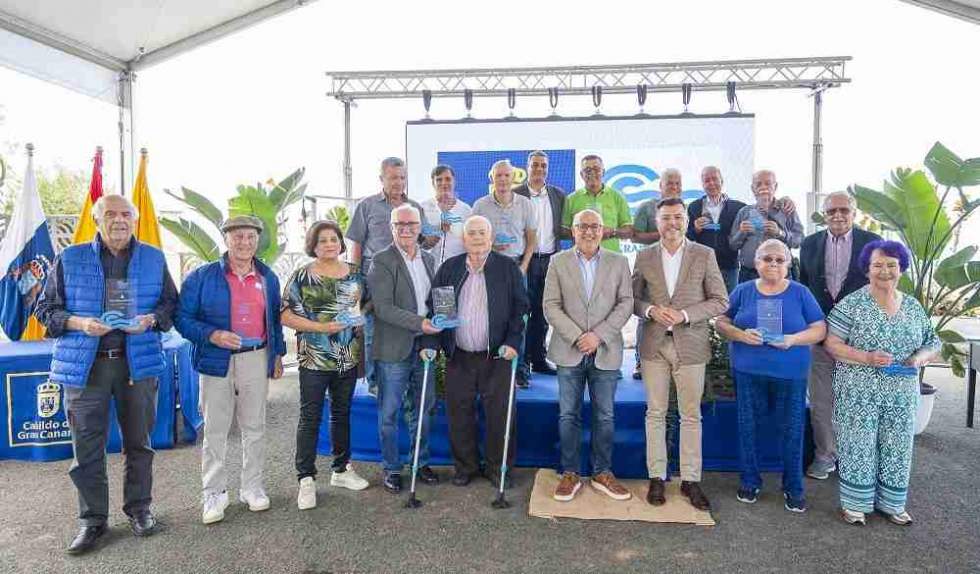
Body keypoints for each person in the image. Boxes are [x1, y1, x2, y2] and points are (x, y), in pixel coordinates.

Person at [35, 194, 177, 554]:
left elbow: (170, 305)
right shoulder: (70, 258)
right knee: (87, 449)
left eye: (125, 214)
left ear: (135, 219)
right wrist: (79, 323)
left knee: (139, 445)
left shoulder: (154, 258)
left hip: (138, 364)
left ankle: (140, 509)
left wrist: (149, 321)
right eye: (110, 214)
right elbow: (44, 310)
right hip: (86, 368)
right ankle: (92, 521)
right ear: (97, 220)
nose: (118, 220)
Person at [175, 215, 286, 525]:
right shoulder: (202, 277)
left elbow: (274, 321)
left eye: (250, 236)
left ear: (257, 240)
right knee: (215, 429)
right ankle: (214, 492)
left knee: (255, 426)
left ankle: (252, 487)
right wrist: (212, 334)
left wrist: (277, 354)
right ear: (226, 240)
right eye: (237, 236)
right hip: (216, 358)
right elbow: (181, 318)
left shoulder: (268, 277)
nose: (244, 242)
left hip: (256, 356)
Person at [823, 240, 939, 526]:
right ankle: (855, 505)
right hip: (858, 388)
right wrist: (865, 356)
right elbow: (831, 343)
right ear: (867, 269)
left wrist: (920, 357)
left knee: (898, 445)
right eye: (878, 265)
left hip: (901, 391)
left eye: (891, 265)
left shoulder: (912, 306)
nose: (884, 271)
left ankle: (893, 504)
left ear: (901, 269)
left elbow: (932, 342)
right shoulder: (852, 303)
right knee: (857, 443)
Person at [715, 239, 826, 513]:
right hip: (748, 372)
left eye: (779, 259)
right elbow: (720, 321)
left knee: (792, 431)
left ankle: (793, 488)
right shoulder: (742, 291)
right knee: (748, 428)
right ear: (756, 262)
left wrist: (792, 339)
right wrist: (740, 335)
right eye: (767, 259)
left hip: (791, 375)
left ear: (788, 264)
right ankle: (750, 482)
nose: (773, 264)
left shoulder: (800, 293)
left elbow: (820, 329)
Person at [633, 198, 729, 511]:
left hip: (691, 344)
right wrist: (649, 310)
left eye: (677, 217)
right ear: (656, 222)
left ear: (686, 221)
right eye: (665, 218)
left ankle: (690, 480)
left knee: (690, 414)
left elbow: (719, 301)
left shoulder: (704, 254)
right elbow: (631, 300)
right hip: (654, 345)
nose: (672, 223)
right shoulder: (644, 256)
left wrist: (685, 315)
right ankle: (657, 477)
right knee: (655, 413)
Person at [421, 215, 528, 488]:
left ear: (491, 238)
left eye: (483, 232)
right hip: (460, 356)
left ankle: (497, 468)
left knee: (501, 414)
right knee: (459, 413)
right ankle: (465, 467)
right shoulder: (450, 268)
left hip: (499, 356)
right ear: (463, 238)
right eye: (472, 233)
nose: (478, 237)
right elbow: (438, 313)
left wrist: (514, 343)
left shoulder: (507, 269)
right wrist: (431, 345)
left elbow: (521, 310)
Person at [543, 209, 633, 502]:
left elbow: (625, 303)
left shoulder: (619, 262)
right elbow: (550, 305)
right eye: (583, 226)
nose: (589, 231)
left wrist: (598, 336)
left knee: (605, 415)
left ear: (603, 230)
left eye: (595, 226)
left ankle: (602, 472)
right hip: (568, 350)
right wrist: (578, 337)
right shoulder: (558, 261)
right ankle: (570, 472)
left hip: (605, 349)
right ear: (573, 230)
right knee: (568, 414)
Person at [281, 220, 369, 511]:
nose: (329, 244)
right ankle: (305, 479)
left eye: (334, 239)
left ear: (341, 243)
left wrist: (361, 319)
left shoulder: (356, 274)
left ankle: (341, 469)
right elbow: (284, 314)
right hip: (313, 357)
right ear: (313, 246)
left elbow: (366, 306)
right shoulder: (302, 276)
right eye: (322, 240)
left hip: (347, 355)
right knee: (310, 416)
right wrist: (320, 328)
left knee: (342, 413)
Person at [798, 191, 881, 480]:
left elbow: (883, 288)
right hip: (820, 335)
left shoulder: (872, 244)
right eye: (831, 210)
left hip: (860, 339)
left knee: (858, 400)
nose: (837, 215)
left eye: (844, 210)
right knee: (821, 400)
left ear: (854, 212)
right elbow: (804, 289)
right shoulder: (809, 245)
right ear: (823, 214)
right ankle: (825, 455)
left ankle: (856, 457)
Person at [367, 204, 443, 493]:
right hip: (393, 349)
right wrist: (422, 324)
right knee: (390, 413)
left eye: (411, 223)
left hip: (424, 347)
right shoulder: (382, 260)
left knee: (424, 409)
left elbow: (435, 302)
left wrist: (433, 331)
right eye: (400, 224)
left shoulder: (428, 259)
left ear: (420, 226)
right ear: (392, 228)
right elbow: (384, 309)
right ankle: (391, 468)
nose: (406, 229)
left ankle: (419, 462)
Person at [347, 157, 428, 393]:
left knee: (405, 329)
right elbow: (357, 245)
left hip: (408, 279)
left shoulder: (415, 208)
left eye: (402, 177)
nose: (398, 182)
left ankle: (405, 380)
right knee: (374, 331)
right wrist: (356, 280)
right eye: (393, 177)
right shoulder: (367, 206)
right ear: (382, 179)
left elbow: (421, 242)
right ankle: (374, 382)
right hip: (375, 279)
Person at [472, 159, 537, 387]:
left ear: (513, 178)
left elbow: (531, 240)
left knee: (520, 318)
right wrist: (488, 248)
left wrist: (524, 266)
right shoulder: (480, 205)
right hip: (490, 267)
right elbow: (473, 237)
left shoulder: (526, 204)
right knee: (490, 317)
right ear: (492, 178)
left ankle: (518, 370)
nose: (502, 180)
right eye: (498, 176)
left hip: (518, 266)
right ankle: (493, 367)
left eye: (506, 176)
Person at [513, 150, 566, 378]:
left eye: (543, 166)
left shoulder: (558, 195)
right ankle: (522, 365)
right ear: (527, 168)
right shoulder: (516, 195)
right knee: (523, 313)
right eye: (535, 165)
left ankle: (539, 358)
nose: (539, 170)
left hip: (551, 261)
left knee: (544, 313)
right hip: (525, 261)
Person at [630, 168, 683, 380]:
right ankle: (640, 362)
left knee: (676, 316)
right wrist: (664, 232)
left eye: (678, 183)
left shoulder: (686, 209)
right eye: (669, 183)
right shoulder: (646, 207)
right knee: (647, 314)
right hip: (650, 268)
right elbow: (635, 236)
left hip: (677, 270)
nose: (674, 187)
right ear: (660, 186)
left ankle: (675, 360)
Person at [729, 170, 804, 283]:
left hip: (780, 275)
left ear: (775, 186)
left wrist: (780, 233)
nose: (763, 187)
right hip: (749, 275)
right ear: (752, 189)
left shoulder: (787, 210)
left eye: (768, 183)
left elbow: (799, 241)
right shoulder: (744, 212)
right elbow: (733, 245)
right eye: (758, 184)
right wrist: (741, 232)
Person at [687, 166, 747, 293]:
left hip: (729, 266)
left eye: (715, 179)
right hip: (703, 266)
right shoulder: (694, 207)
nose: (711, 183)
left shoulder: (739, 207)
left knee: (730, 305)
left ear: (722, 181)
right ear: (702, 184)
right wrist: (696, 229)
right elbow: (686, 238)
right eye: (707, 180)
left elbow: (758, 215)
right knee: (705, 305)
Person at [562, 154, 633, 252]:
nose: (592, 173)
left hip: (611, 258)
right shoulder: (571, 200)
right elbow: (563, 232)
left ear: (603, 172)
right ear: (581, 175)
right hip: (581, 259)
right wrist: (583, 232)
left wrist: (612, 232)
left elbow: (629, 231)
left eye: (596, 169)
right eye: (587, 170)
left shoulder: (617, 197)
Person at [420, 164, 472, 269]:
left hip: (457, 268)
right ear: (433, 183)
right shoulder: (422, 208)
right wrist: (438, 230)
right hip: (429, 269)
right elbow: (419, 243)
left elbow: (470, 241)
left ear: (454, 181)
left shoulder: (466, 210)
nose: (444, 183)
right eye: (439, 180)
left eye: (448, 179)